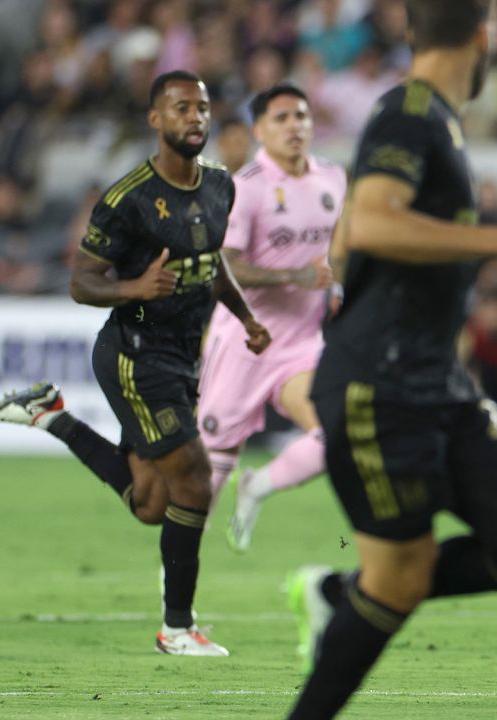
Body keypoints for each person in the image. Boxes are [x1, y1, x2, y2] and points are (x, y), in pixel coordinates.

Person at [283, 2, 497, 717]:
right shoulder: (409, 112)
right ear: (484, 35)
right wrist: (496, 241)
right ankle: (343, 621)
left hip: (436, 379)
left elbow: (352, 233)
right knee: (400, 581)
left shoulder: (435, 119)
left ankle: (340, 595)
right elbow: (374, 219)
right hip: (381, 381)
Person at [0, 70, 270, 656]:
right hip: (136, 357)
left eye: (203, 108)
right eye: (181, 108)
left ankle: (53, 417)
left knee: (151, 504)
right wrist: (135, 286)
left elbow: (212, 265)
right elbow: (81, 281)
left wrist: (244, 317)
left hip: (185, 357)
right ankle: (178, 628)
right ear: (156, 120)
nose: (195, 118)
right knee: (194, 479)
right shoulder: (127, 199)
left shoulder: (220, 185)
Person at [197, 83, 346, 552]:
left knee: (336, 432)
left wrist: (338, 283)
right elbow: (226, 266)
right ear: (259, 130)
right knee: (210, 470)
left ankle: (258, 485)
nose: (294, 125)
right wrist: (295, 275)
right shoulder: (246, 187)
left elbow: (339, 248)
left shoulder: (334, 179)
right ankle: (177, 586)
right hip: (245, 340)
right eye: (281, 118)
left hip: (300, 344)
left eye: (300, 115)